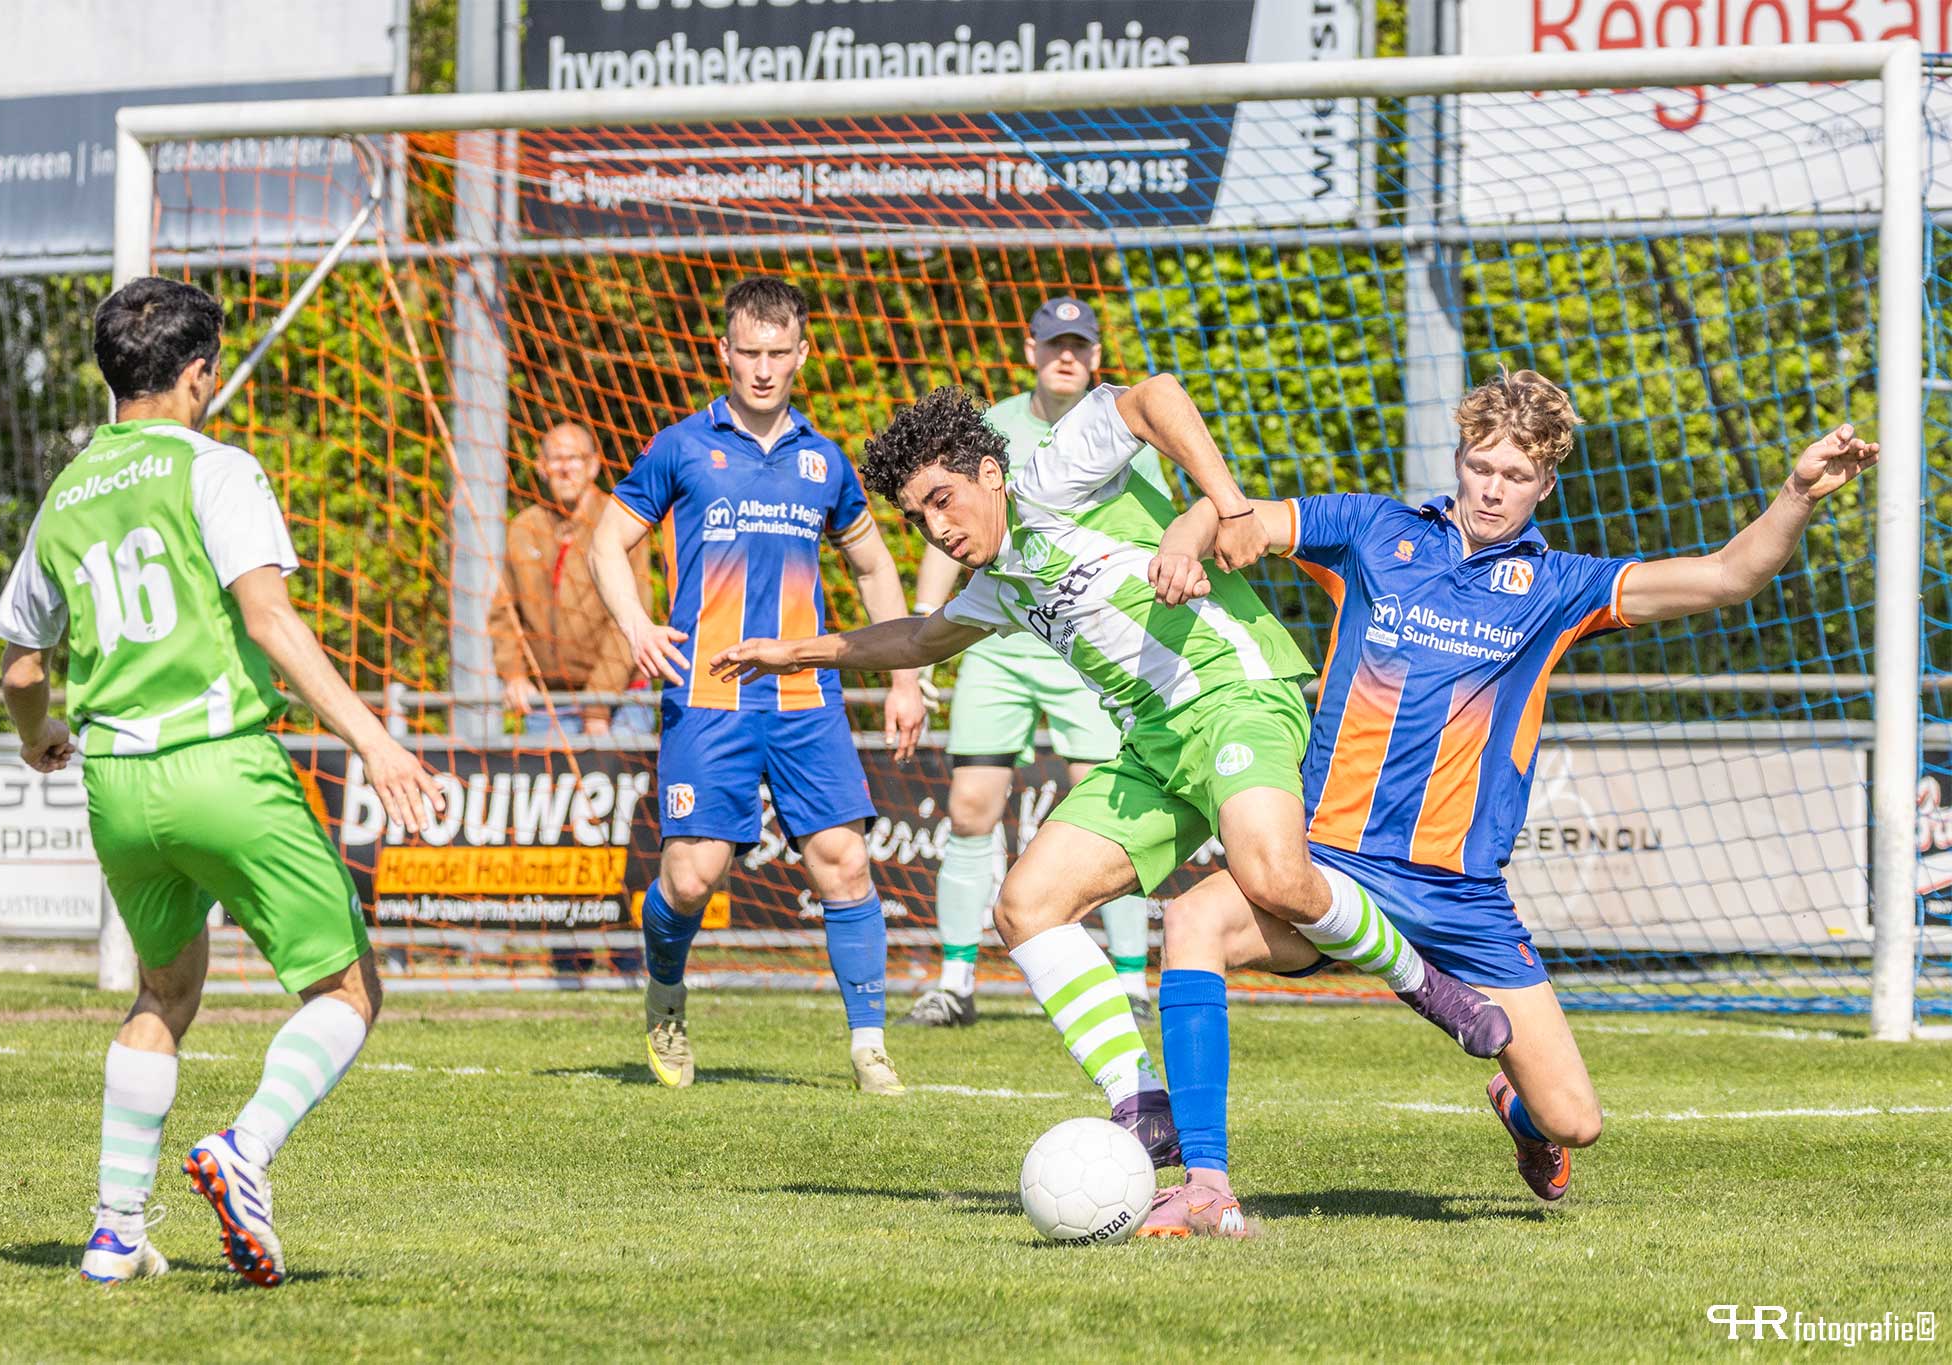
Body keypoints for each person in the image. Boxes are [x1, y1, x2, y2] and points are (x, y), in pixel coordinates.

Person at [707, 378, 1513, 1210]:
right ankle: (1143, 1105)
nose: (937, 529)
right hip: (1154, 749)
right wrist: (793, 651)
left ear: (990, 473)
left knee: (1274, 875)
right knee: (1025, 905)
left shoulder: (1053, 477)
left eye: (942, 500)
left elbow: (1155, 395)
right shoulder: (998, 583)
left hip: (1236, 692)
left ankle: (1428, 984)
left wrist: (1227, 505)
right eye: (917, 518)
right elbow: (918, 636)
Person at [1144, 369, 1879, 1225]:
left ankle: (1521, 1114)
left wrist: (1796, 494)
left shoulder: (1559, 585)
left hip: (1459, 897)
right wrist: (1186, 534)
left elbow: (1725, 576)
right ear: (1459, 459)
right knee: (1194, 918)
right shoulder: (1375, 530)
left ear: (1546, 484)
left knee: (1576, 1120)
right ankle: (1206, 1181)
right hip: (1328, 868)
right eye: (1482, 466)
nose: (1493, 489)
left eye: (1517, 475)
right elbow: (1239, 516)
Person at [0, 277, 444, 1286]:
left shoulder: (66, 493)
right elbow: (271, 620)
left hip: (117, 784)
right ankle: (244, 1148)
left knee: (164, 988)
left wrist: (36, 736)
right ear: (199, 374)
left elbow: (20, 667)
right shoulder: (217, 468)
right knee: (349, 987)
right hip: (220, 760)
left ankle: (114, 1232)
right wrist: (376, 741)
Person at [589, 277, 927, 1095]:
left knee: (844, 861)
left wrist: (906, 677)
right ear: (725, 353)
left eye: (779, 353)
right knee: (690, 878)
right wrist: (635, 625)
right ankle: (665, 995)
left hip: (807, 700)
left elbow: (874, 565)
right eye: (750, 353)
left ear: (802, 353)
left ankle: (870, 1046)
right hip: (707, 695)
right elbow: (607, 542)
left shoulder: (825, 460)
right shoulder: (681, 446)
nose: (764, 369)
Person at [906, 297, 1158, 1028]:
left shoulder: (1123, 426)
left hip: (1086, 646)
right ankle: (955, 981)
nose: (1066, 357)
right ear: (1032, 351)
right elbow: (945, 534)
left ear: (1096, 356)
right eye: (1054, 344)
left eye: (1079, 345)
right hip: (1000, 644)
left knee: (1113, 807)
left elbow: (1154, 532)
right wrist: (918, 653)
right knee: (970, 805)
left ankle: (1131, 979)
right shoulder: (992, 428)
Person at [490, 421, 654, 740]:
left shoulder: (620, 520)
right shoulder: (524, 528)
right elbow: (504, 613)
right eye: (556, 459)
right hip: (550, 701)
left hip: (620, 698)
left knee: (614, 771)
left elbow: (631, 619)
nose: (565, 469)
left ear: (593, 465)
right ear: (542, 467)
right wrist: (513, 674)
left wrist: (598, 703)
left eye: (574, 458)